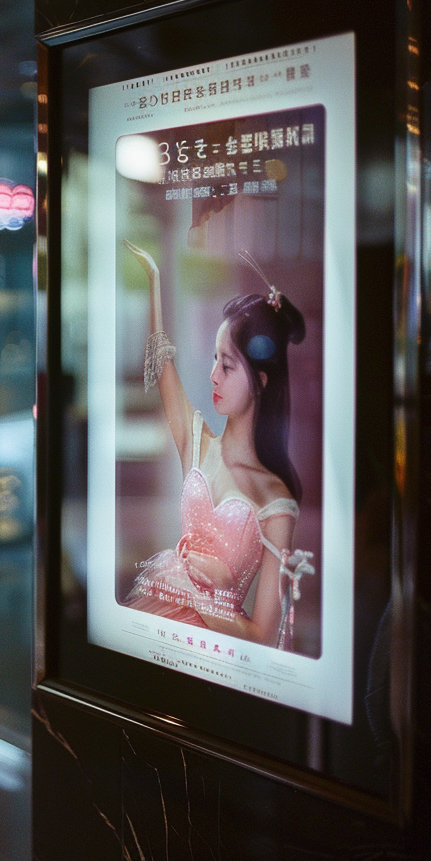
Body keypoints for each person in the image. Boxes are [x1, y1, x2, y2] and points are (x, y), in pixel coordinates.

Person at [116, 242, 313, 649]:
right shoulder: (198, 441)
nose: (213, 376)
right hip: (156, 622)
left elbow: (262, 635)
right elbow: (164, 365)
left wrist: (206, 596)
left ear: (261, 381)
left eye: (227, 365)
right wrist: (155, 279)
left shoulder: (275, 501)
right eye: (213, 359)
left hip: (216, 649)